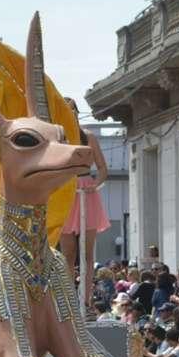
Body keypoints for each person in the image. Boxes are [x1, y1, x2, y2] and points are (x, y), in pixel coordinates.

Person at [60, 126, 110, 307]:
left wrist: (95, 183)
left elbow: (103, 168)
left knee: (87, 253)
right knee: (68, 253)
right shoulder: (58, 134)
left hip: (86, 192)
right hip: (65, 191)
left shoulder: (88, 136)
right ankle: (68, 299)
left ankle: (86, 299)